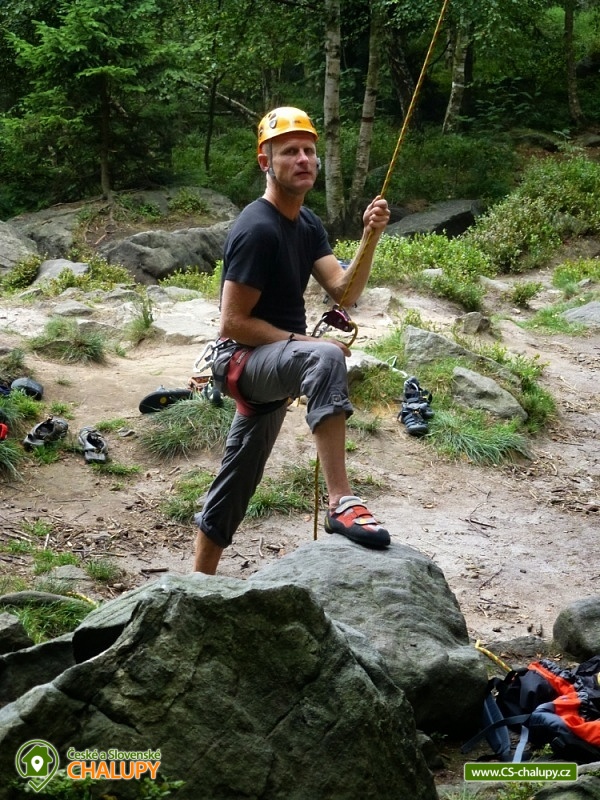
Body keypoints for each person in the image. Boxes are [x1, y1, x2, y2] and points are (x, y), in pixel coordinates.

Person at [194, 106, 391, 574]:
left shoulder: (306, 223)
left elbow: (344, 291)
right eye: (289, 152)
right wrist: (305, 342)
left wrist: (370, 236)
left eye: (308, 150)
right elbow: (232, 323)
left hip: (274, 362)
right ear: (266, 162)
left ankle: (197, 583)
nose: (303, 159)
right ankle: (342, 502)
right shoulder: (257, 228)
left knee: (237, 479)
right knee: (324, 358)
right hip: (242, 360)